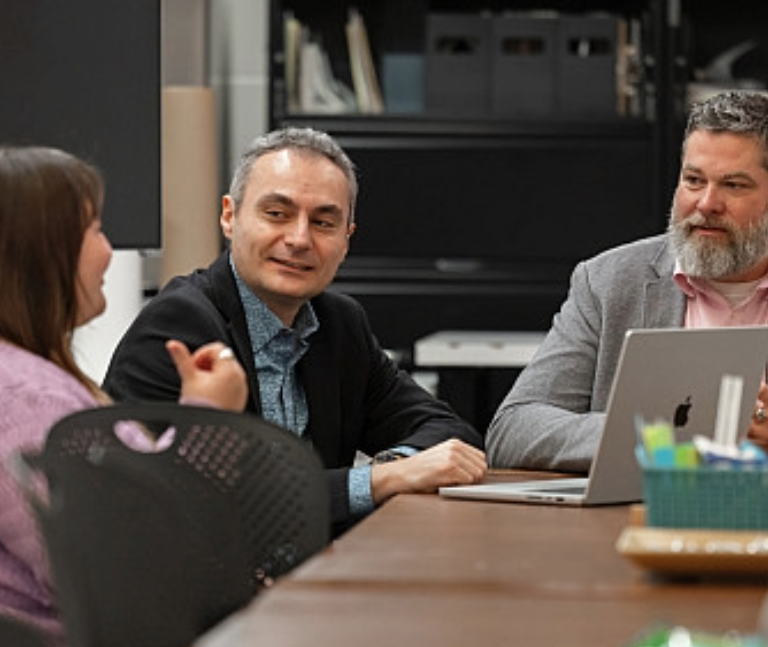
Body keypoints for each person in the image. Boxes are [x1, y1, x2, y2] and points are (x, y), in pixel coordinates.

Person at [103, 127, 486, 537]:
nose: (300, 239)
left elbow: (447, 430)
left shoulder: (339, 324)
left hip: (311, 577)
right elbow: (214, 500)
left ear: (346, 240)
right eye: (277, 214)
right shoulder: (179, 325)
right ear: (230, 217)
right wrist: (383, 481)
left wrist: (396, 465)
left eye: (323, 222)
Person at [0, 146, 248, 647]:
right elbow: (135, 575)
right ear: (42, 252)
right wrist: (209, 421)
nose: (110, 251)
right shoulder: (29, 401)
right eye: (94, 229)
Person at [487, 89, 768, 471]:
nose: (706, 204)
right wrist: (667, 436)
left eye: (734, 185)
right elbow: (514, 429)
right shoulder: (609, 281)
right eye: (693, 180)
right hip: (638, 521)